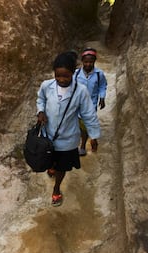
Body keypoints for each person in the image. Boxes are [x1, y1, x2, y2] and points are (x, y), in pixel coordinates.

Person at [36, 51, 101, 207]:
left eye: (66, 76)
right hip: (48, 135)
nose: (61, 80)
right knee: (50, 159)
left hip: (67, 138)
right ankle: (51, 167)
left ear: (73, 73)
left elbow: (88, 115)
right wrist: (40, 111)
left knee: (62, 166)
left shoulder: (81, 91)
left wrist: (94, 136)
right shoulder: (47, 85)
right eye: (58, 76)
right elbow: (41, 99)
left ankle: (57, 189)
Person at [76, 47, 107, 156]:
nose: (88, 64)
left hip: (91, 105)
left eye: (90, 62)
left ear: (94, 61)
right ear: (82, 61)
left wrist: (102, 97)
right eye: (86, 62)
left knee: (85, 125)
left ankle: (83, 145)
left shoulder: (99, 74)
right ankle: (93, 138)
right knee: (79, 125)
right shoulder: (76, 74)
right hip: (77, 105)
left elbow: (102, 86)